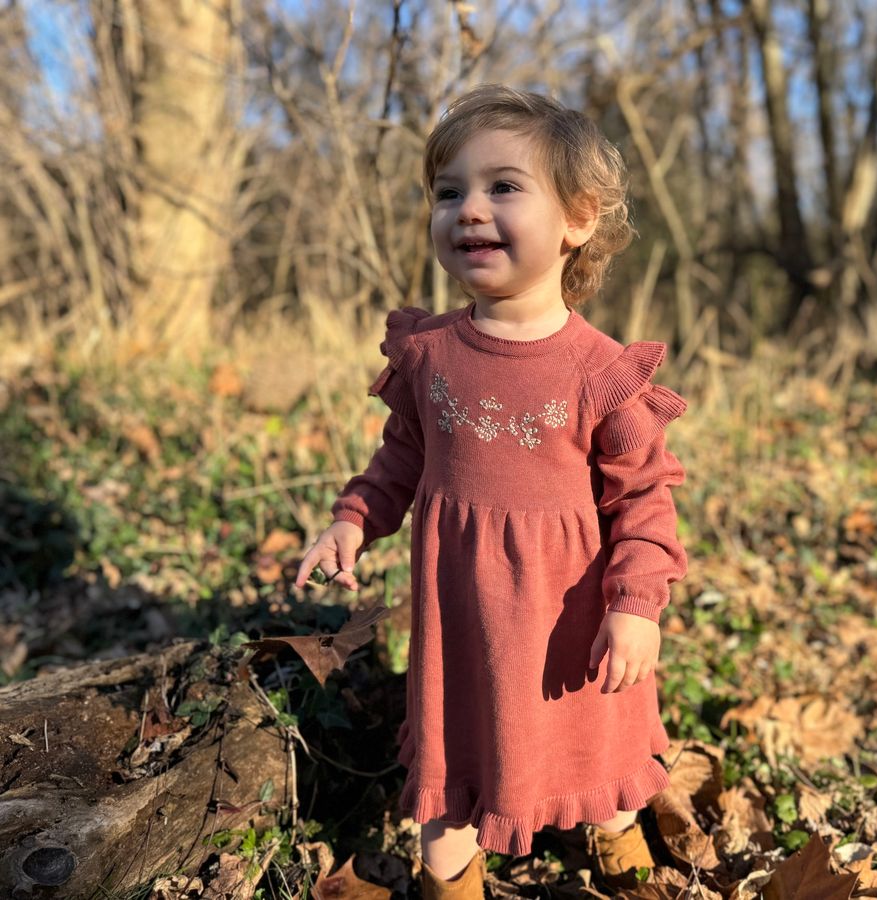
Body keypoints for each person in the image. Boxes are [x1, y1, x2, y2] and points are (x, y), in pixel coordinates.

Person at [295, 83, 689, 898]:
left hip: (571, 624)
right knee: (453, 772)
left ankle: (623, 865)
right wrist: (353, 520)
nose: (469, 209)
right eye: (449, 192)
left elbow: (644, 500)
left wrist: (637, 604)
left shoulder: (600, 374)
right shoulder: (430, 355)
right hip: (461, 627)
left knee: (599, 762)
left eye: (504, 187)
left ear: (577, 219)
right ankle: (453, 884)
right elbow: (400, 458)